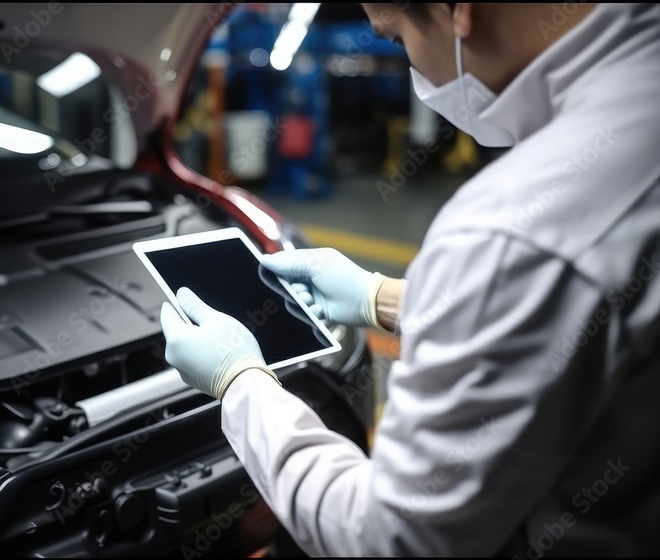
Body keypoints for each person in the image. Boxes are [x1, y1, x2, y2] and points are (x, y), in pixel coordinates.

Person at [159, 3, 660, 556]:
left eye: (396, 39)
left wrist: (239, 383)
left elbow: (389, 539)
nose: (417, 72)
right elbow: (565, 321)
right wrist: (385, 299)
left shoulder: (515, 229)